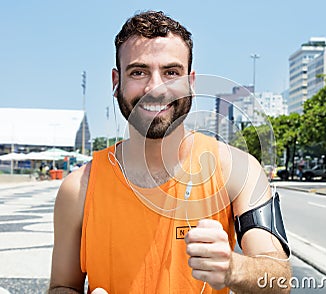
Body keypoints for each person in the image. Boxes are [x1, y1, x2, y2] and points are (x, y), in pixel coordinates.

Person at [49, 11, 291, 293]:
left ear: (191, 81)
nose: (155, 88)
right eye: (138, 72)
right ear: (116, 81)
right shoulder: (77, 189)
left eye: (171, 73)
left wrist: (234, 269)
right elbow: (62, 286)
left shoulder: (239, 171)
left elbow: (280, 279)